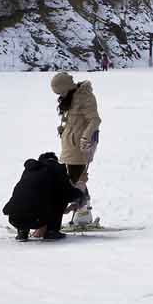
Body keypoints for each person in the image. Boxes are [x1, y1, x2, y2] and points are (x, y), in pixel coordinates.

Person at [51, 71, 101, 229]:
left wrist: (86, 137)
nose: (61, 95)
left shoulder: (84, 96)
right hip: (69, 144)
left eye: (61, 91)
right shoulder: (71, 97)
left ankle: (83, 213)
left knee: (76, 179)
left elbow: (95, 120)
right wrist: (64, 128)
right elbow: (75, 120)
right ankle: (83, 212)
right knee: (74, 179)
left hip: (80, 146)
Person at [3, 152, 81, 241]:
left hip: (14, 218)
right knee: (59, 196)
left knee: (29, 196)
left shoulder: (29, 170)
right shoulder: (56, 169)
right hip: (36, 219)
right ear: (55, 161)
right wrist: (80, 195)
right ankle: (52, 231)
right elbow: (68, 192)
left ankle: (22, 232)